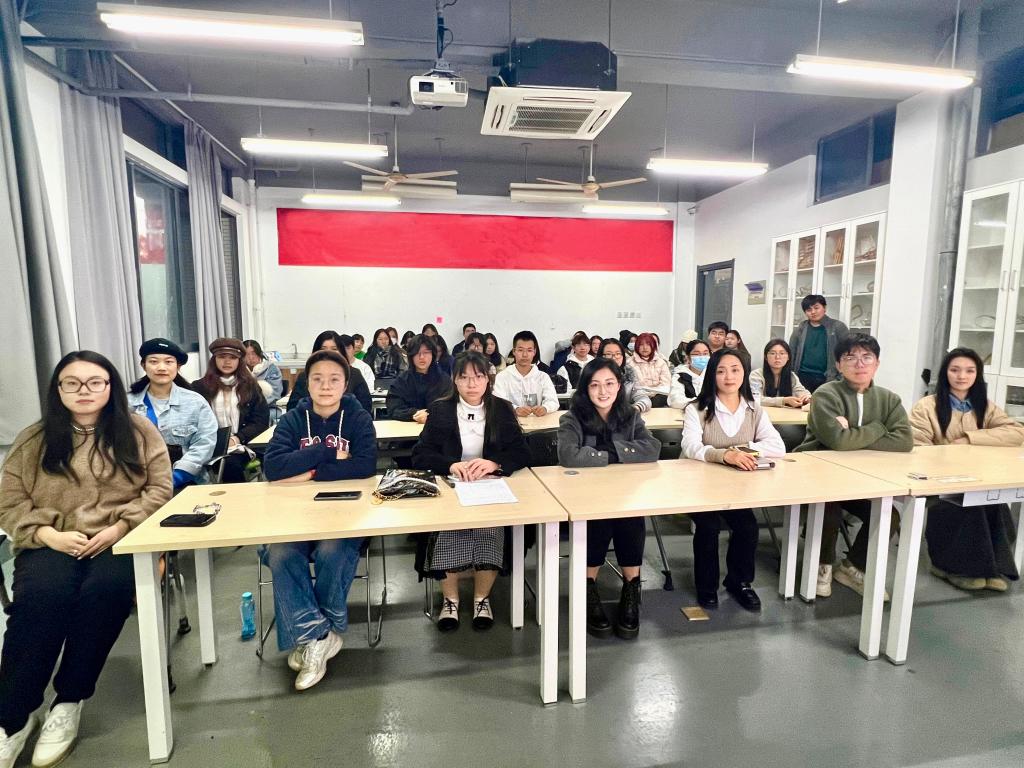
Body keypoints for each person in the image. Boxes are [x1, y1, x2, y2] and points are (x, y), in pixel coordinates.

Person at [0, 351, 172, 767]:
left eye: (95, 382)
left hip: (117, 539)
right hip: (51, 541)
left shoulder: (138, 431)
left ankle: (69, 700)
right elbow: (9, 500)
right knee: (41, 598)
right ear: (58, 390)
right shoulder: (34, 439)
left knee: (105, 592)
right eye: (72, 383)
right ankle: (13, 718)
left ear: (110, 386)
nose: (84, 391)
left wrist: (122, 526)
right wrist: (47, 534)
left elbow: (159, 488)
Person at [262, 350, 377, 691]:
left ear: (345, 384)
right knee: (280, 553)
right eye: (317, 379)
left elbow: (365, 465)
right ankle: (321, 634)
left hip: (345, 515)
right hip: (294, 516)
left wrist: (307, 471)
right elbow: (274, 467)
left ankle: (310, 636)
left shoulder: (357, 418)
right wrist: (327, 454)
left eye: (334, 379)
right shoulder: (293, 420)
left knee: (331, 551)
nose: (326, 386)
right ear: (307, 384)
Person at [411, 352, 532, 632]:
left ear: (487, 379)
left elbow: (523, 452)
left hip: (491, 487)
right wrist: (451, 464)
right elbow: (420, 454)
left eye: (478, 376)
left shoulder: (501, 409)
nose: (471, 383)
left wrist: (495, 463)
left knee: (490, 530)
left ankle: (481, 598)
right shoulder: (441, 409)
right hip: (452, 487)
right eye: (463, 377)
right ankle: (450, 600)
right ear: (454, 380)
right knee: (448, 531)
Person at [796, 334, 912, 598]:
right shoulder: (826, 394)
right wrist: (880, 428)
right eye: (850, 357)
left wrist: (853, 434)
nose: (859, 364)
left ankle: (853, 567)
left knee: (888, 514)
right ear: (839, 364)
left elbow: (904, 440)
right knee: (829, 507)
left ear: (877, 363)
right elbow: (837, 441)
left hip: (862, 478)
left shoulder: (889, 399)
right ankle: (822, 565)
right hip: (817, 475)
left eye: (867, 357)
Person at [557, 359, 661, 639]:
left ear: (619, 386)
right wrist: (623, 452)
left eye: (609, 384)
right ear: (585, 388)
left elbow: (652, 448)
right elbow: (568, 455)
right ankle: (588, 587)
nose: (603, 391)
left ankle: (631, 587)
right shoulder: (572, 418)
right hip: (584, 497)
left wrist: (607, 451)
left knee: (631, 518)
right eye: (595, 385)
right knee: (598, 522)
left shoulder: (629, 416)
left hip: (624, 493)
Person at [910, 348, 1024, 591]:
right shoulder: (926, 407)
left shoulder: (985, 406)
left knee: (995, 505)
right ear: (945, 373)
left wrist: (970, 438)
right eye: (955, 370)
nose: (962, 376)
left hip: (978, 478)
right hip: (940, 481)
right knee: (967, 508)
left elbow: (1016, 432)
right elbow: (917, 447)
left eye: (970, 371)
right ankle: (949, 567)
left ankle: (990, 569)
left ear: (977, 375)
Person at [681, 348, 785, 611]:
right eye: (721, 371)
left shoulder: (753, 408)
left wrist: (742, 450)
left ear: (744, 373)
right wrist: (725, 455)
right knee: (708, 527)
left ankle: (740, 582)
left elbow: (777, 446)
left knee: (748, 527)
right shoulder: (697, 408)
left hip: (737, 487)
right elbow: (691, 446)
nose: (729, 377)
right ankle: (706, 587)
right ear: (712, 375)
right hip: (698, 486)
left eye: (735, 370)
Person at [127, 338, 218, 491]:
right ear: (143, 365)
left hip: (186, 482)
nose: (161, 367)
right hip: (138, 484)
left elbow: (204, 444)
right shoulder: (127, 404)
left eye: (168, 362)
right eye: (154, 362)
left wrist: (176, 477)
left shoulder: (195, 402)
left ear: (178, 366)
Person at [191, 338, 269, 483]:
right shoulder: (199, 387)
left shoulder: (250, 386)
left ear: (240, 361)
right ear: (214, 359)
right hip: (208, 443)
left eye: (232, 357)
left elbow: (260, 421)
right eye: (222, 357)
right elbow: (192, 420)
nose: (227, 362)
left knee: (229, 465)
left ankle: (235, 497)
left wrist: (237, 438)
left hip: (242, 445)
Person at [286, 332, 373, 414]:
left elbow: (365, 407)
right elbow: (292, 408)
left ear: (341, 352)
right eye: (323, 349)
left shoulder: (354, 374)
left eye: (334, 349)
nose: (328, 353)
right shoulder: (305, 376)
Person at [789, 294, 849, 392]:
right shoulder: (801, 328)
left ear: (824, 308)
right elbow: (791, 352)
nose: (813, 312)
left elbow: (847, 354)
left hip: (829, 378)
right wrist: (790, 376)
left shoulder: (838, 327)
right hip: (802, 377)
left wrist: (841, 378)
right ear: (805, 312)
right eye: (809, 310)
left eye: (816, 308)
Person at [386, 334, 452, 423]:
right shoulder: (402, 381)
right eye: (417, 353)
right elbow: (393, 409)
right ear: (411, 356)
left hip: (437, 427)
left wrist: (431, 415)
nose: (421, 357)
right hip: (408, 427)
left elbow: (451, 408)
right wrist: (414, 413)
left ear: (433, 354)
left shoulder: (444, 380)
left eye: (426, 352)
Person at [493, 331, 559, 417]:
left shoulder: (543, 377)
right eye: (520, 350)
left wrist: (545, 408)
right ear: (514, 351)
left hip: (537, 422)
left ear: (534, 352)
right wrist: (515, 409)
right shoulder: (502, 377)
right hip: (510, 422)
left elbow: (553, 401)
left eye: (529, 350)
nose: (525, 355)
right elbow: (498, 403)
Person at [750, 339, 811, 408]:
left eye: (782, 353)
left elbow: (801, 391)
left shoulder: (792, 376)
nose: (777, 357)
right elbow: (755, 399)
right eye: (773, 353)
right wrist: (783, 400)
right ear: (765, 357)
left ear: (788, 357)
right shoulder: (756, 375)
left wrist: (807, 398)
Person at [598, 338, 651, 412]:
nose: (614, 358)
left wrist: (635, 409)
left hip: (623, 415)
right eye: (609, 354)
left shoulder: (629, 373)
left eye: (618, 354)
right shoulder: (592, 373)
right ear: (601, 356)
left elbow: (643, 398)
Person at [668, 339, 711, 409]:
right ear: (688, 357)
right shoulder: (680, 375)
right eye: (697, 354)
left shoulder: (714, 374)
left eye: (705, 354)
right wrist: (700, 403)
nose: (702, 357)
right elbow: (676, 401)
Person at [630, 332, 671, 406]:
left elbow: (666, 384)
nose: (645, 347)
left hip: (659, 398)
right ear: (637, 346)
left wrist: (654, 394)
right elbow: (631, 387)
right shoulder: (630, 363)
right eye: (641, 345)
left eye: (648, 344)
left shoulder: (661, 362)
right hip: (638, 398)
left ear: (653, 346)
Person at [244, 339, 283, 405]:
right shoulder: (241, 370)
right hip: (245, 406)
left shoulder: (271, 369)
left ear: (259, 353)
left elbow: (274, 394)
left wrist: (255, 405)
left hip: (268, 405)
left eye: (253, 353)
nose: (251, 357)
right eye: (247, 354)